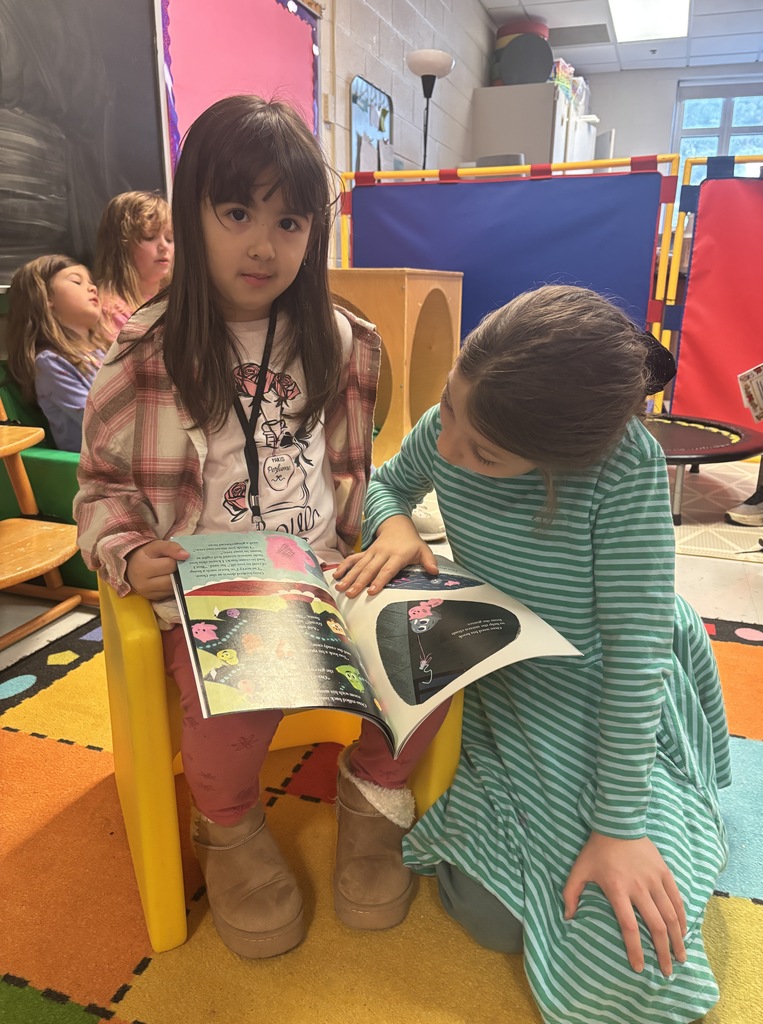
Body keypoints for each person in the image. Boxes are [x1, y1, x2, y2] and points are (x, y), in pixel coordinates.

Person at [74, 94, 446, 960]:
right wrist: (130, 555)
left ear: (314, 232)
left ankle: (371, 798)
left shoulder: (348, 343)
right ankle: (231, 828)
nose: (262, 243)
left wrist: (390, 526)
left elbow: (367, 472)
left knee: (438, 644)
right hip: (220, 583)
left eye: (289, 220)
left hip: (330, 568)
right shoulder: (144, 356)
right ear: (192, 208)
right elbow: (99, 491)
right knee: (241, 705)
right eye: (236, 212)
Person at [333, 285, 731, 1024]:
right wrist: (391, 526)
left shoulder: (624, 468)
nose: (449, 447)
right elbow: (391, 481)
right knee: (489, 918)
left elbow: (637, 652)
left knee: (627, 950)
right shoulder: (456, 423)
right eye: (449, 409)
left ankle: (671, 821)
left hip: (601, 681)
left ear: (564, 454)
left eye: (483, 453)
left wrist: (619, 829)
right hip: (502, 664)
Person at [6, 255, 110, 451]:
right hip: (99, 469)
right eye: (76, 281)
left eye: (91, 282)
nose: (92, 287)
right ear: (46, 298)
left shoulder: (105, 351)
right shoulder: (50, 363)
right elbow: (101, 422)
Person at [93, 191, 173, 338]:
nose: (164, 246)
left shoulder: (175, 297)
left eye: (169, 238)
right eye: (149, 236)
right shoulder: (111, 312)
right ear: (120, 246)